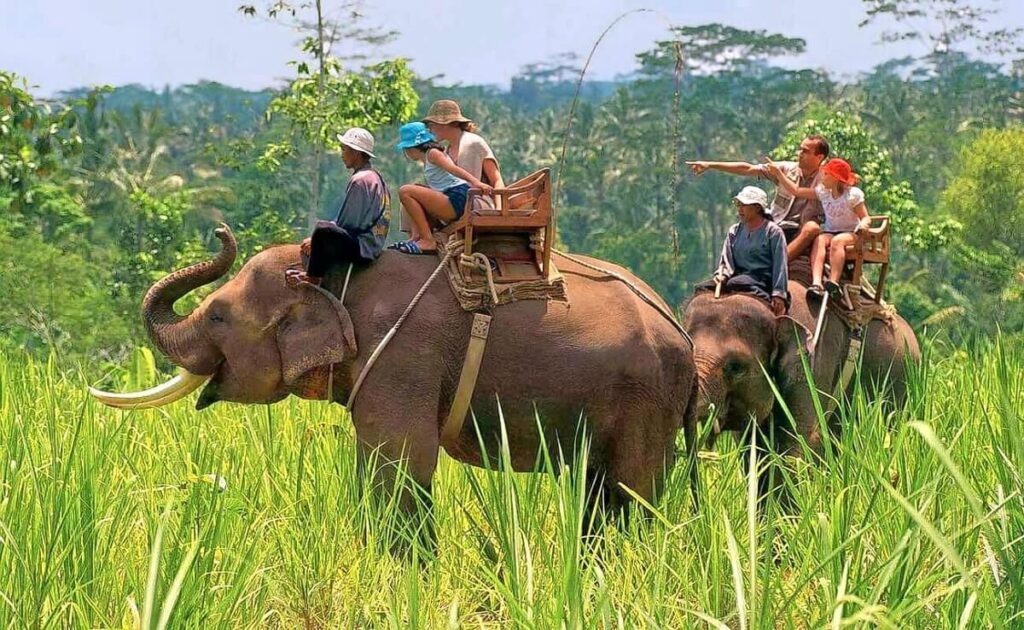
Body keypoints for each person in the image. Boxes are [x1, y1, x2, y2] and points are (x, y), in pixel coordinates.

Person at [686, 135, 830, 260]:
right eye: (800, 149)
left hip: (801, 229)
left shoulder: (827, 180)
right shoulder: (787, 168)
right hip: (776, 223)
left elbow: (799, 191)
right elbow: (748, 169)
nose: (799, 153)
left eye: (805, 151)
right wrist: (710, 165)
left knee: (812, 227)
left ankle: (780, 262)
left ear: (819, 157)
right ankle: (726, 269)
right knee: (746, 217)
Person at [286, 127, 390, 287]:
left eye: (344, 149)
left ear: (356, 152)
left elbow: (350, 223)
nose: (342, 154)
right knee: (327, 230)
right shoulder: (375, 177)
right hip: (374, 241)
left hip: (364, 246)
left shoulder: (360, 181)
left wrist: (316, 240)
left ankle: (313, 277)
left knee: (322, 229)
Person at [766, 157, 869, 300]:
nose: (822, 177)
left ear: (835, 178)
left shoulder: (852, 195)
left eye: (826, 174)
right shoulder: (823, 193)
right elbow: (796, 191)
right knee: (820, 240)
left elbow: (865, 217)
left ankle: (833, 281)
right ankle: (816, 283)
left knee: (837, 242)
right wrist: (779, 174)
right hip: (831, 232)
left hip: (851, 233)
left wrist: (863, 225)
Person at [391, 122, 492, 255]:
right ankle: (415, 238)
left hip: (457, 197)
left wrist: (476, 183)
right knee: (414, 190)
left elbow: (453, 169)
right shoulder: (427, 158)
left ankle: (428, 240)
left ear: (412, 148)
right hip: (448, 195)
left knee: (405, 191)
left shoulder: (433, 153)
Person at [697, 186, 789, 316]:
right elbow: (726, 261)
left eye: (744, 205)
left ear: (757, 208)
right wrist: (722, 276)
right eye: (738, 204)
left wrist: (779, 293)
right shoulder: (734, 231)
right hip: (737, 277)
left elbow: (780, 265)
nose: (740, 209)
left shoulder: (773, 232)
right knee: (702, 289)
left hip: (761, 279)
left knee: (737, 283)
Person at [422, 99, 505, 190]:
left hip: (477, 200)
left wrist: (498, 204)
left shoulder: (474, 143)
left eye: (431, 125)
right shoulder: (446, 151)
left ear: (444, 123)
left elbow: (496, 180)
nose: (429, 130)